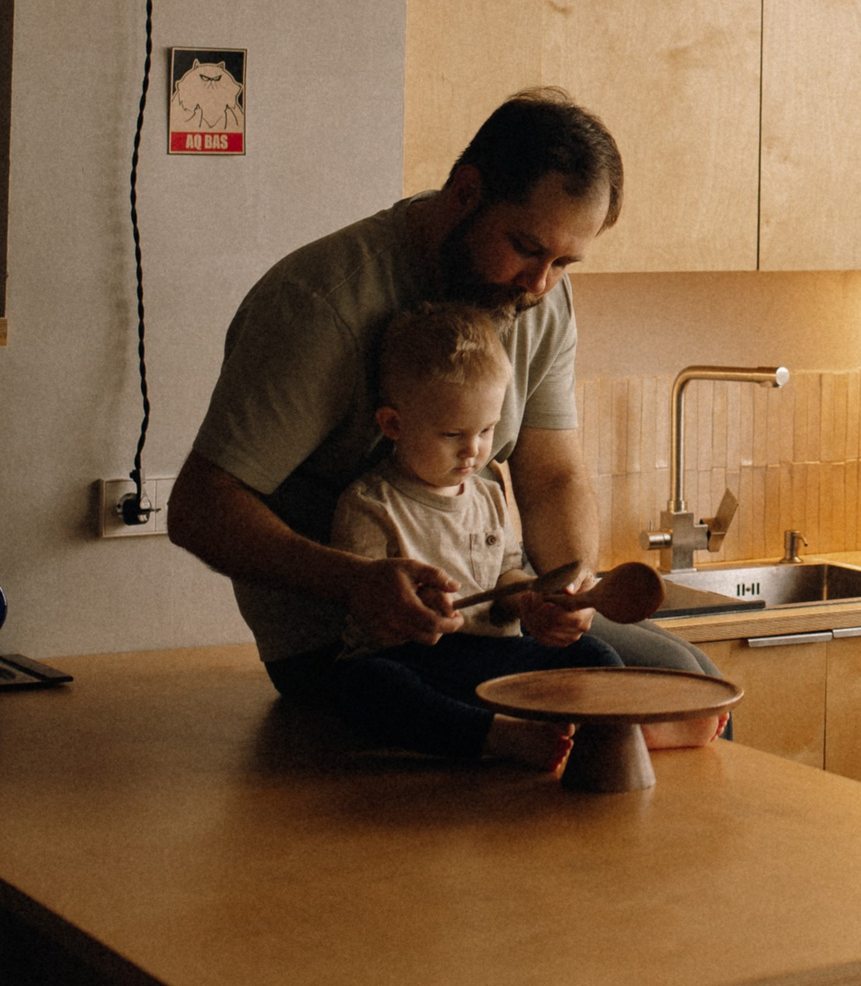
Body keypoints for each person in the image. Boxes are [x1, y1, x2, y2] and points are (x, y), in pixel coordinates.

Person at [170, 87, 723, 712]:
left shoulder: (537, 300)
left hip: (490, 621)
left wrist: (566, 590)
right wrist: (355, 583)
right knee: (641, 698)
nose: (540, 283)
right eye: (527, 247)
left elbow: (553, 476)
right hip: (344, 647)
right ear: (465, 192)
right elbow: (198, 506)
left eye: (565, 262)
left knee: (695, 680)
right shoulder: (320, 305)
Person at [326, 301, 624, 771]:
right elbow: (363, 602)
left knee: (595, 656)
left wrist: (527, 602)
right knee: (366, 685)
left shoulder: (487, 494)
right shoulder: (369, 504)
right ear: (393, 425)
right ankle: (496, 735)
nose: (473, 450)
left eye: (486, 430)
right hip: (414, 658)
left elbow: (505, 576)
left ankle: (625, 730)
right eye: (452, 434)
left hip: (493, 653)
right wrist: (417, 606)